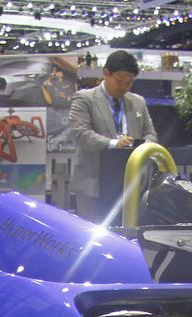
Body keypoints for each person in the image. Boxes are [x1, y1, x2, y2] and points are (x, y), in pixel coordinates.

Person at [67, 49, 157, 222]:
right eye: (120, 80)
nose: (124, 86)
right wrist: (114, 144)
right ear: (106, 73)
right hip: (93, 183)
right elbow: (81, 133)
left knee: (126, 232)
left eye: (129, 82)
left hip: (129, 185)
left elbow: (150, 134)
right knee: (90, 232)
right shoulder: (84, 98)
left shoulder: (138, 102)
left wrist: (141, 145)